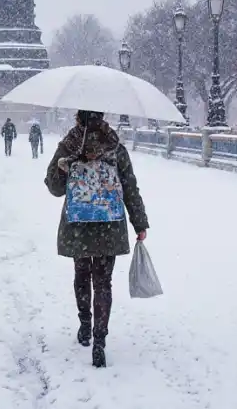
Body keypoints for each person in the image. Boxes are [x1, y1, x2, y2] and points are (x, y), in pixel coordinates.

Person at [45, 110, 149, 368]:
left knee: (82, 274)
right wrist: (140, 222)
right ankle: (100, 341)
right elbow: (130, 187)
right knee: (103, 282)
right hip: (108, 223)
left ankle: (84, 326)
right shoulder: (114, 146)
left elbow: (54, 187)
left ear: (78, 116)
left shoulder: (69, 145)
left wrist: (64, 168)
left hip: (79, 224)